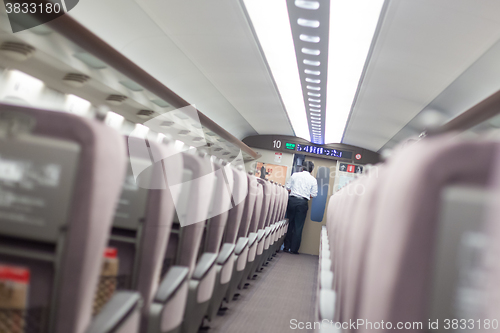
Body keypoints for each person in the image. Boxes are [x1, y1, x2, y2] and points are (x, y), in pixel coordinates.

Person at [284, 161, 318, 254]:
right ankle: (294, 250)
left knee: (289, 224)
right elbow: (313, 194)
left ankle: (286, 247)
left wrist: (295, 192)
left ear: (302, 168)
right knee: (298, 226)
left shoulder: (295, 175)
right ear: (311, 170)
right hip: (302, 203)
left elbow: (287, 188)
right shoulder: (313, 180)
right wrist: (305, 195)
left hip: (292, 201)